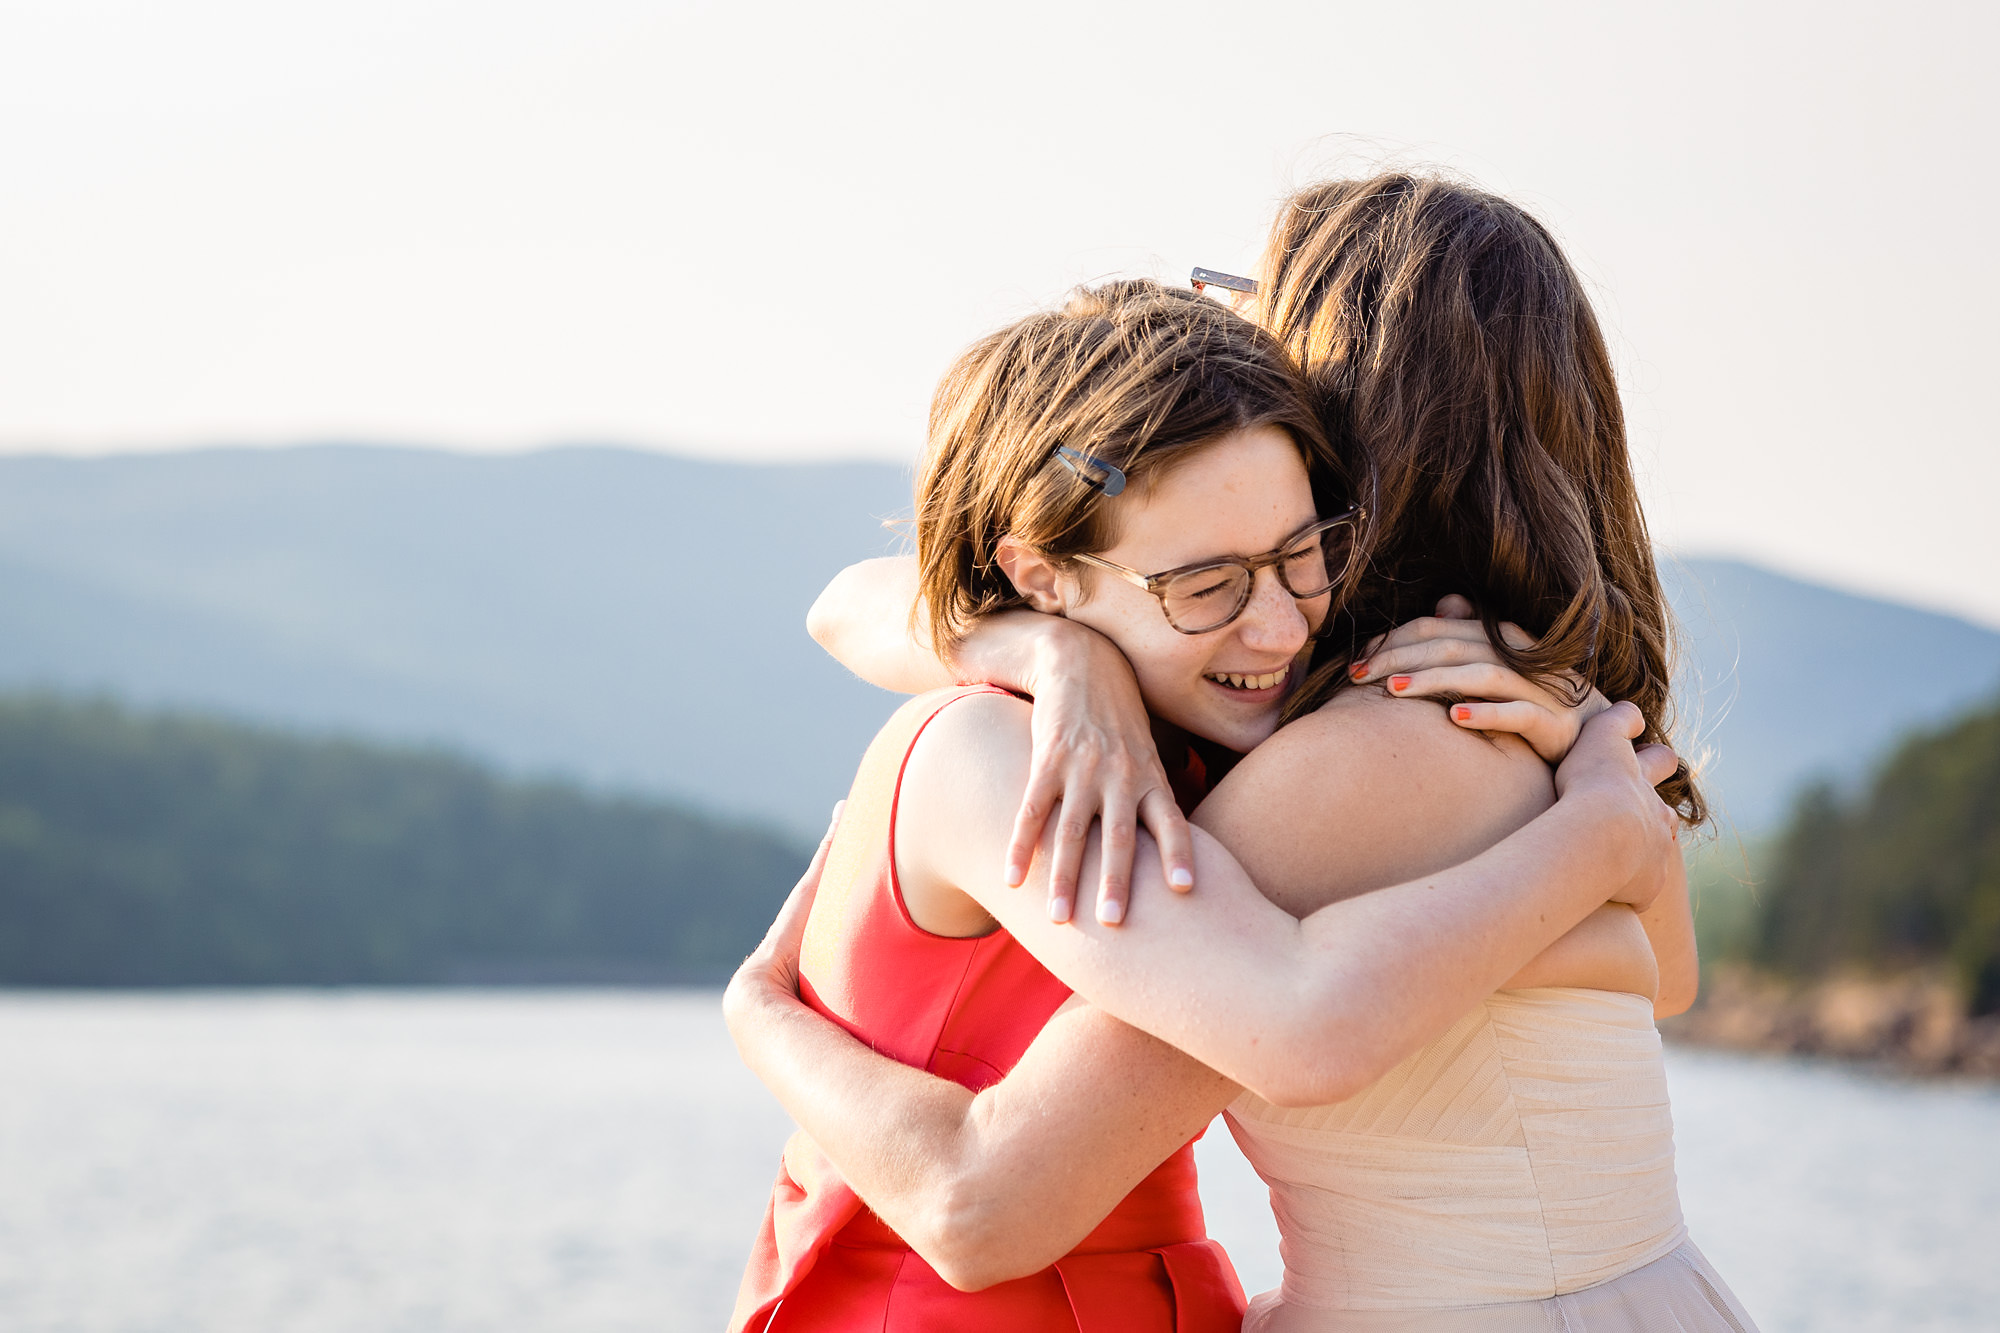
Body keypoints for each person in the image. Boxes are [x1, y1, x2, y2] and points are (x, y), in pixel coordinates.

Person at [726, 273, 1683, 1333]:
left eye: (1302, 552)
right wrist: (1601, 835)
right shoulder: (1003, 752)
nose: (1278, 627)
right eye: (1207, 584)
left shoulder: (1201, 734)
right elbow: (1285, 1027)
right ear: (1039, 575)